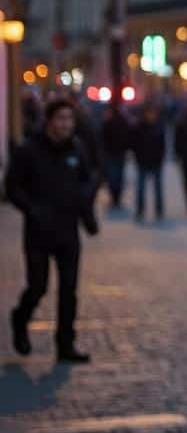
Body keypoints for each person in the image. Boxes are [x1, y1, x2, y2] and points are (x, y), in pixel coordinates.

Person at [7, 100, 99, 363]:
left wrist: (88, 217)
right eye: (60, 119)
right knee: (38, 286)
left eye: (69, 119)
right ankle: (20, 318)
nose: (66, 125)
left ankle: (65, 344)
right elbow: (13, 188)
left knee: (69, 289)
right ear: (49, 121)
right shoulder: (29, 151)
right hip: (38, 232)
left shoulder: (76, 149)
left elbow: (85, 182)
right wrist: (32, 210)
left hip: (68, 231)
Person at [131, 104, 168, 222]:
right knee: (141, 188)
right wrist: (138, 158)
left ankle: (159, 210)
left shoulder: (159, 127)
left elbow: (162, 145)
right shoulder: (139, 127)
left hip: (156, 162)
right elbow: (135, 145)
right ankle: (140, 210)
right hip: (143, 161)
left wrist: (160, 159)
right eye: (149, 113)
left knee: (158, 188)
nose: (151, 116)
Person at [100, 104, 134, 210]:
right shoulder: (123, 121)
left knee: (112, 177)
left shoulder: (108, 123)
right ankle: (117, 198)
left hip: (111, 153)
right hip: (120, 153)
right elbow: (129, 136)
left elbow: (103, 138)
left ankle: (114, 198)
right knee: (119, 176)